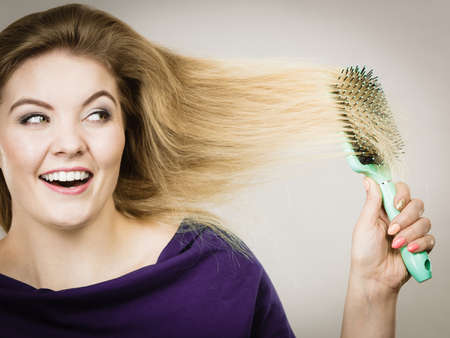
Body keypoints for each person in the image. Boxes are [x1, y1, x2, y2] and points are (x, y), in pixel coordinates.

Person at [0, 4, 435, 338]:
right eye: (34, 118)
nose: (71, 143)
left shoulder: (213, 270)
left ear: (127, 130)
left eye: (97, 114)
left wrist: (373, 291)